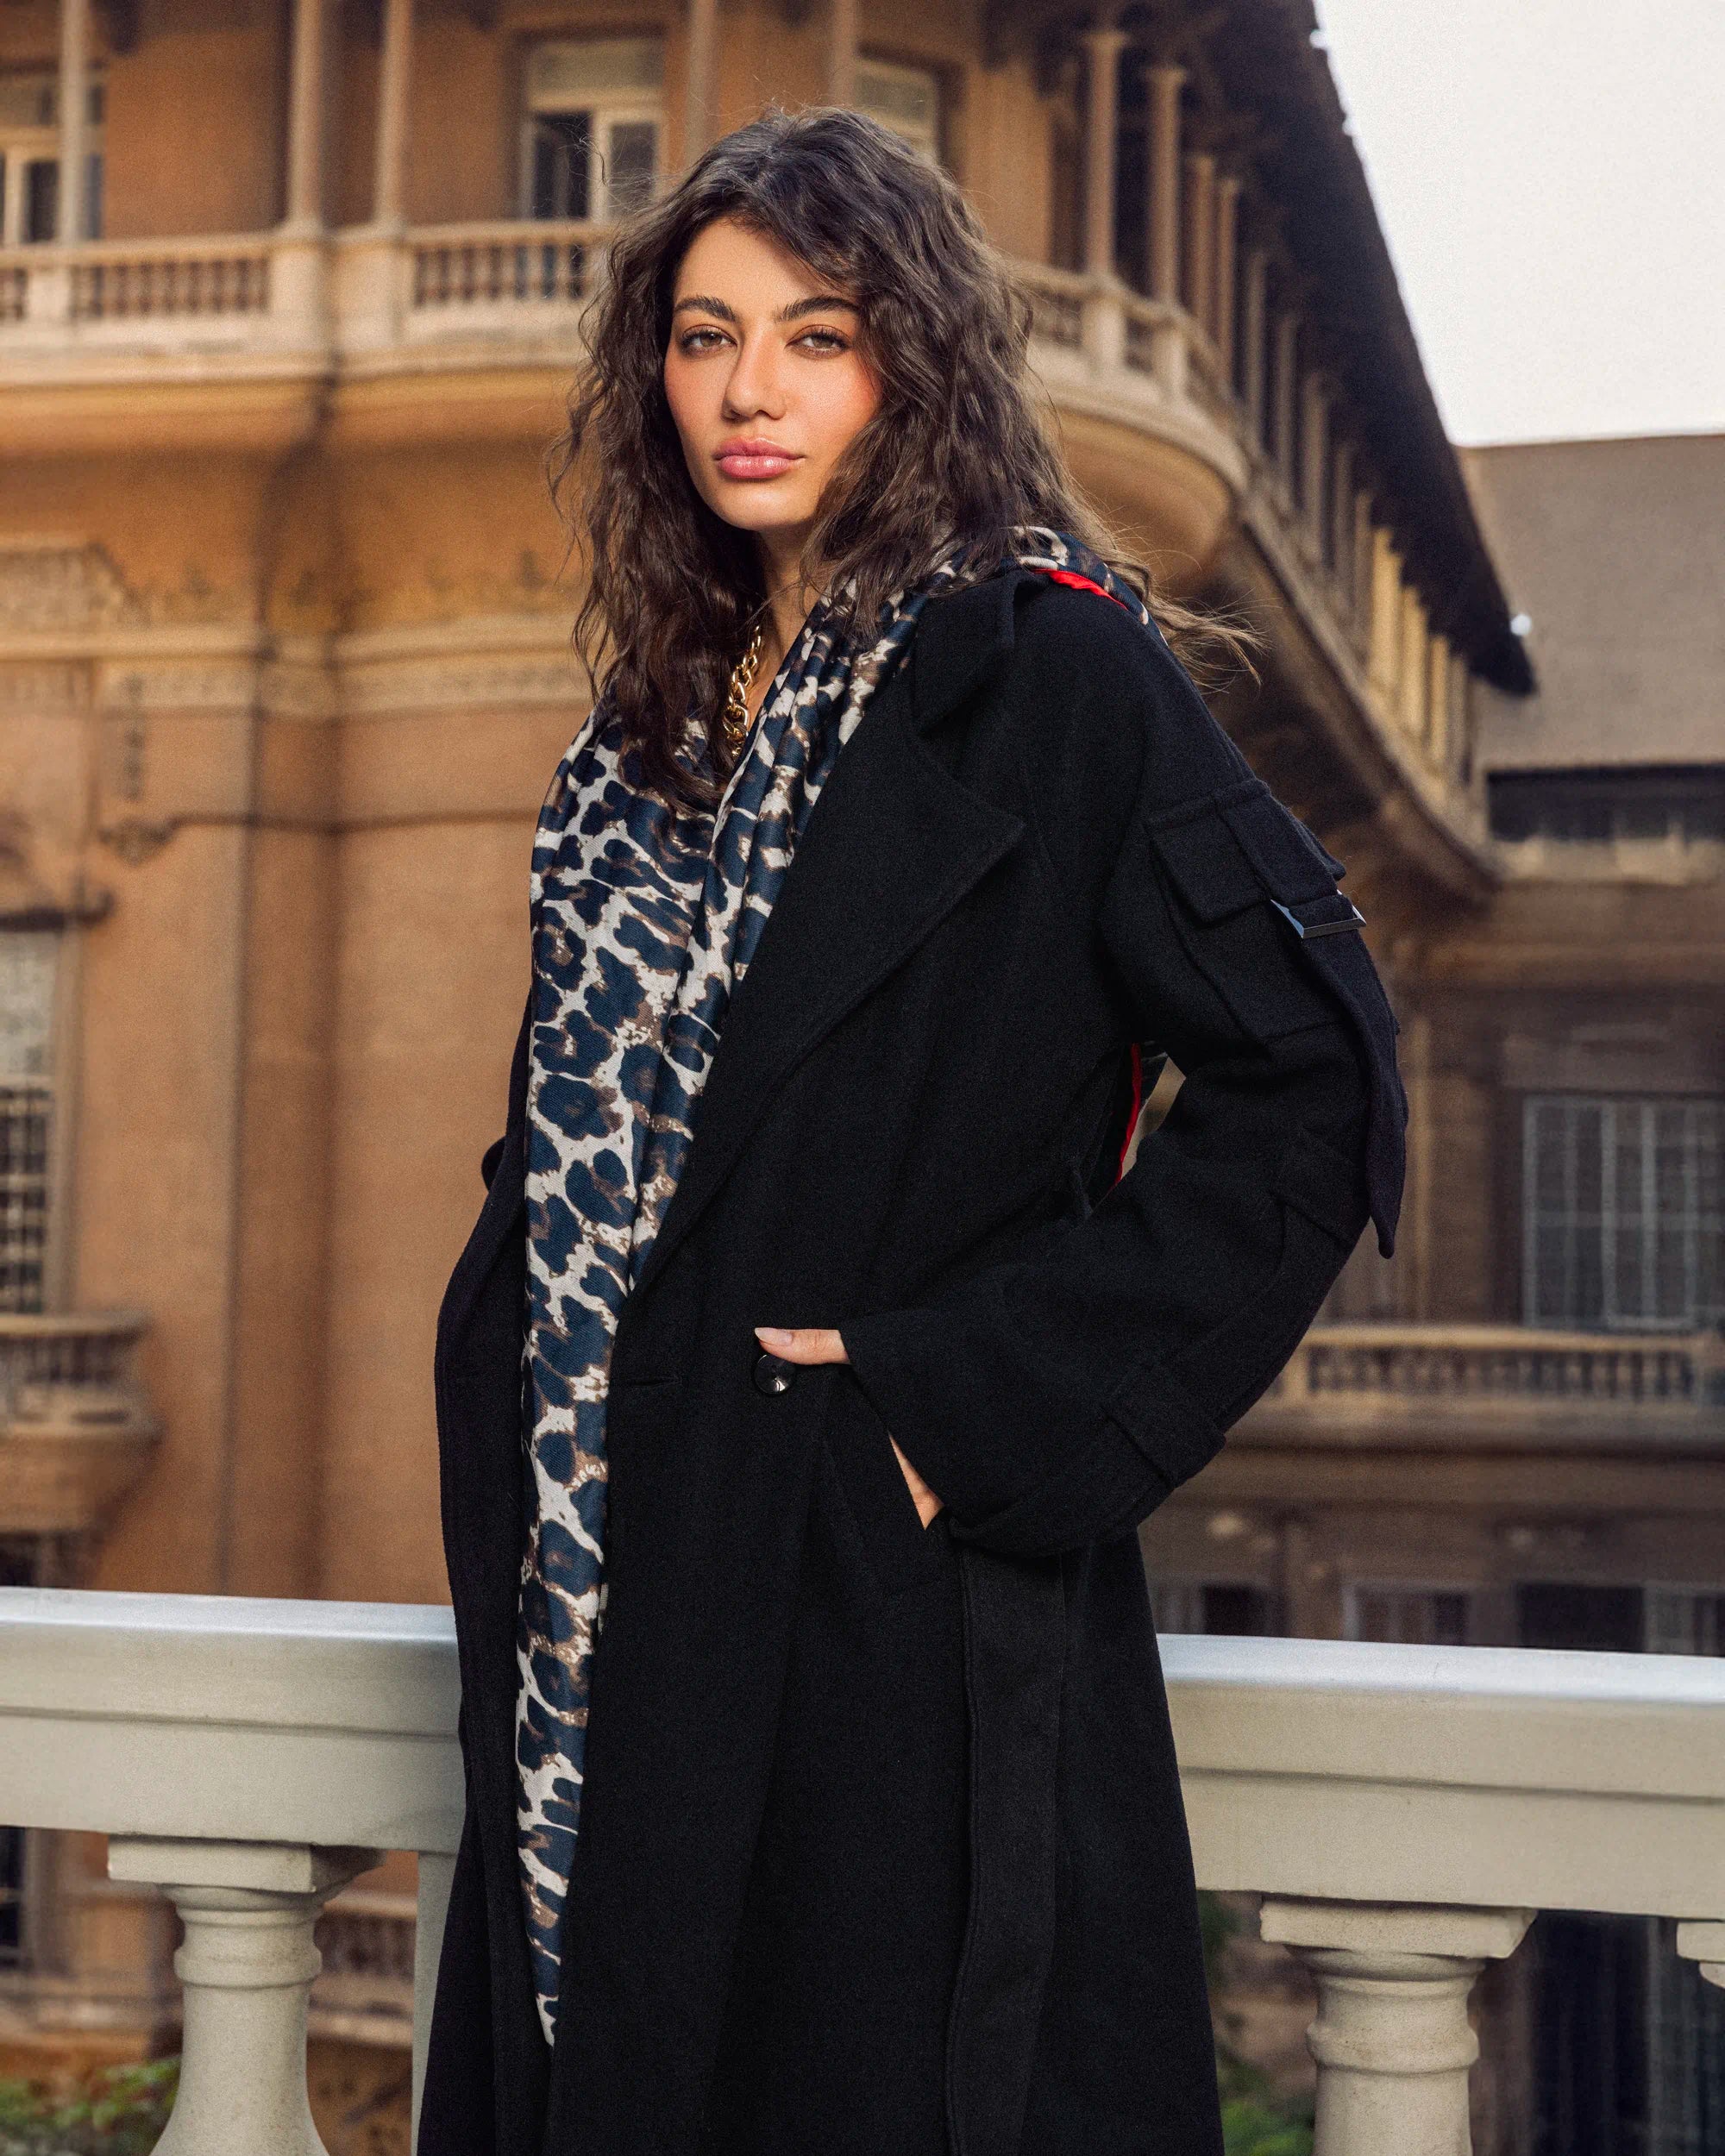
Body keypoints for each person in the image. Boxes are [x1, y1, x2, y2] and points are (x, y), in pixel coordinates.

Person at [419, 103, 1405, 2156]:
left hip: (880, 1612)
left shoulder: (1048, 672)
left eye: (818, 332)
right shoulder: (644, 738)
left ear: (914, 361)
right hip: (598, 1608)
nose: (747, 391)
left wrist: (959, 1406)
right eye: (702, 336)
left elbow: (1316, 1075)